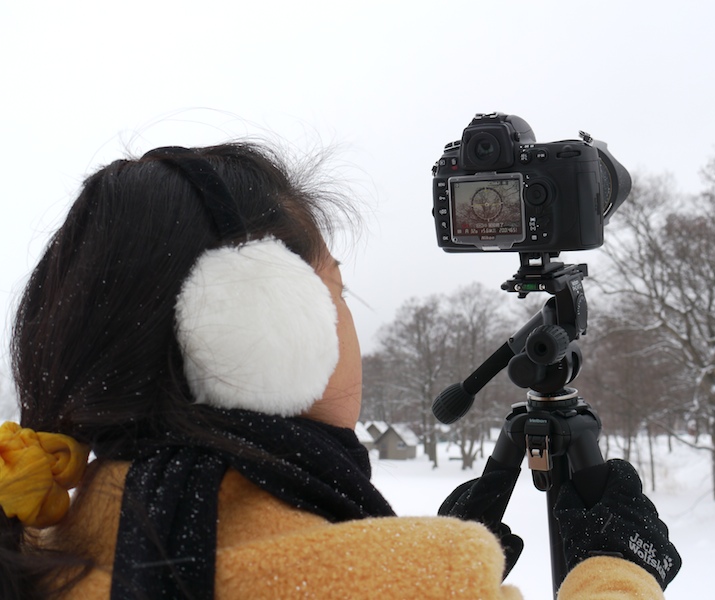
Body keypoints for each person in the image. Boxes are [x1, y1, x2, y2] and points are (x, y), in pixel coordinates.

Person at [0, 142, 680, 599]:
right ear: (261, 324)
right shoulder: (413, 583)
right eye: (336, 287)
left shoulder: (39, 542)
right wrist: (619, 564)